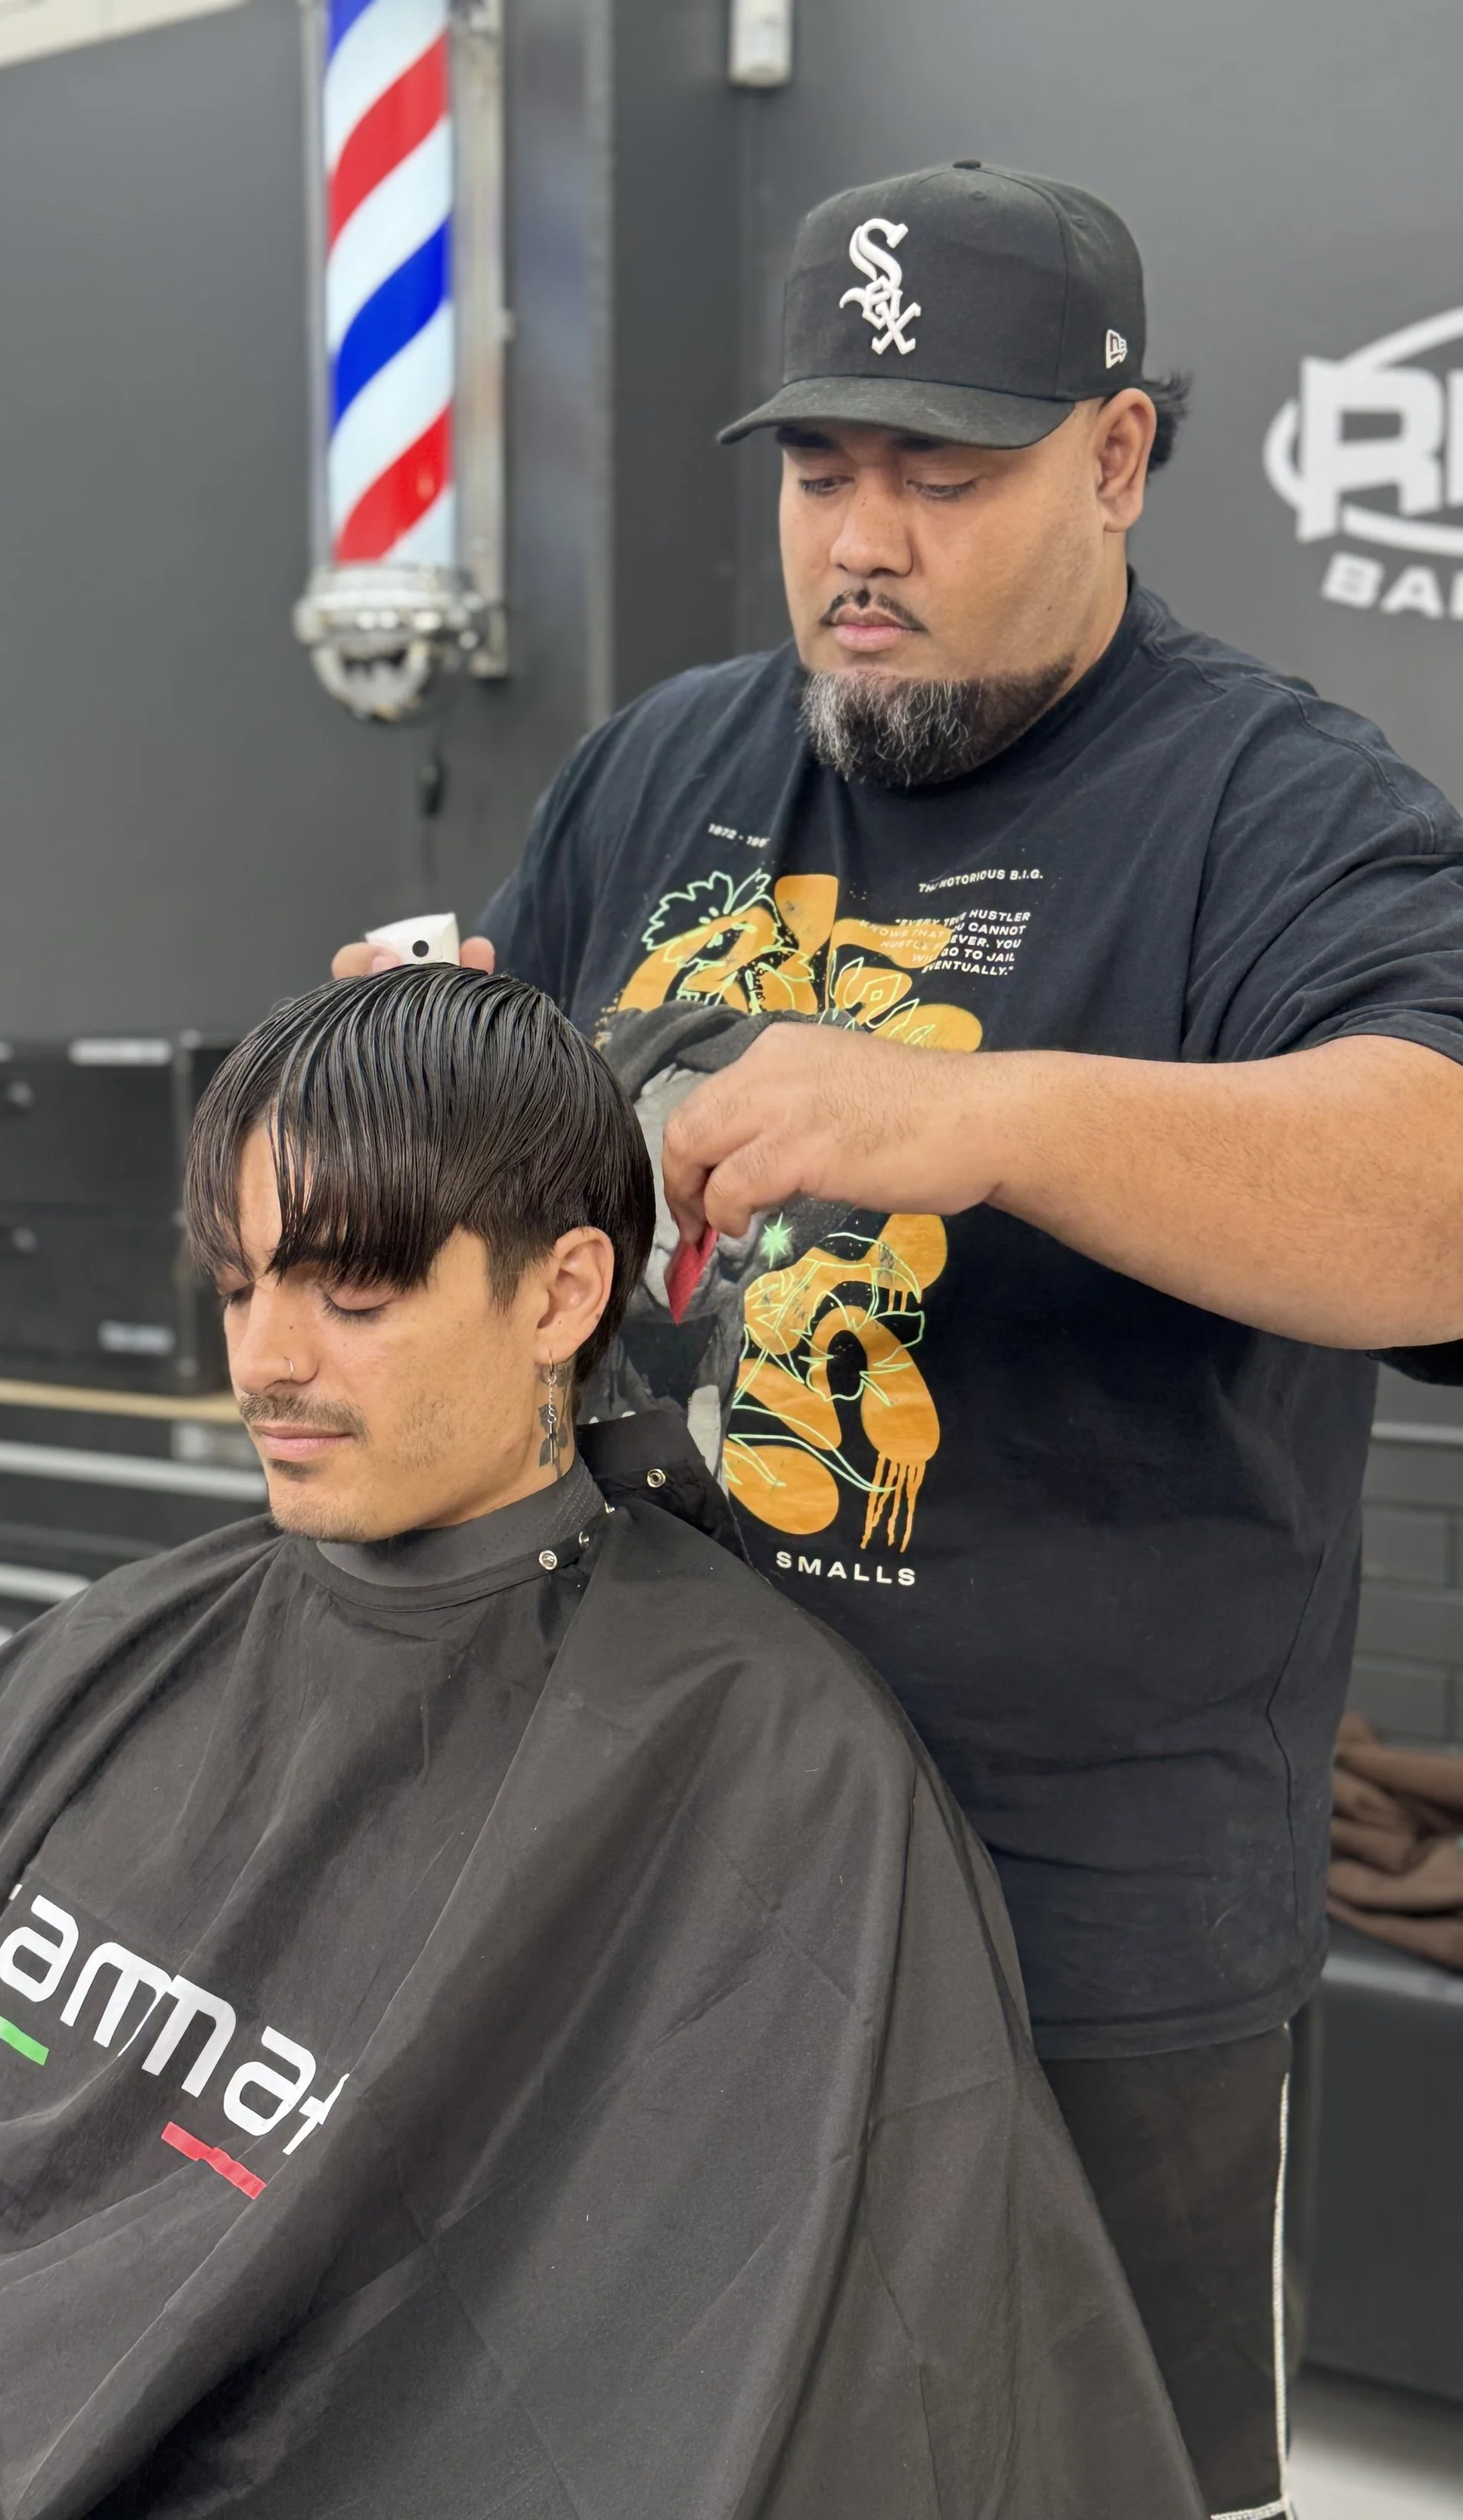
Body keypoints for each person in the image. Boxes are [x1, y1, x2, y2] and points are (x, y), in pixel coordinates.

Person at [334, 163, 1463, 2518]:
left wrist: (991, 1117)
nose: (865, 534)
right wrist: (430, 1096)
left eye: (942, 472)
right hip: (675, 1843)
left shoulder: (1281, 810)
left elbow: (1434, 1199)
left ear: (1119, 457)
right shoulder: (656, 776)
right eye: (821, 469)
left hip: (1098, 1924)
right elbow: (544, 1211)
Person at [0, 966, 1202, 2520]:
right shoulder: (138, 1646)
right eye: (238, 1284)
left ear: (561, 1291)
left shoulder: (768, 1756)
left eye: (352, 1291)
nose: (267, 1360)